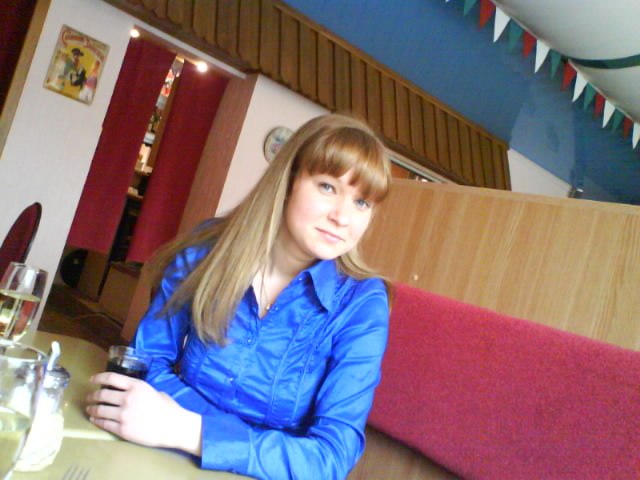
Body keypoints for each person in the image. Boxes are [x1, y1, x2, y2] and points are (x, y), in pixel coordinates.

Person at [85, 113, 393, 479]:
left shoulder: (362, 304)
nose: (343, 217)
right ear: (288, 180)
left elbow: (331, 457)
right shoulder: (208, 249)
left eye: (362, 203)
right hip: (166, 458)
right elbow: (147, 359)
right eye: (328, 187)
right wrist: (202, 435)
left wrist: (192, 431)